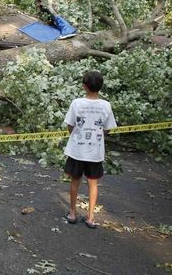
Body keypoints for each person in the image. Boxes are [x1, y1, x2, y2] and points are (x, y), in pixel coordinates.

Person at [63, 70, 117, 229]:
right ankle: (91, 217)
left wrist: (75, 136)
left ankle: (72, 213)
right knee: (93, 184)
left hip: (77, 151)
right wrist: (98, 136)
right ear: (100, 87)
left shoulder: (77, 103)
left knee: (75, 181)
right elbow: (108, 128)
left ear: (84, 86)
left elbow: (69, 125)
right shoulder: (106, 105)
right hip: (95, 152)